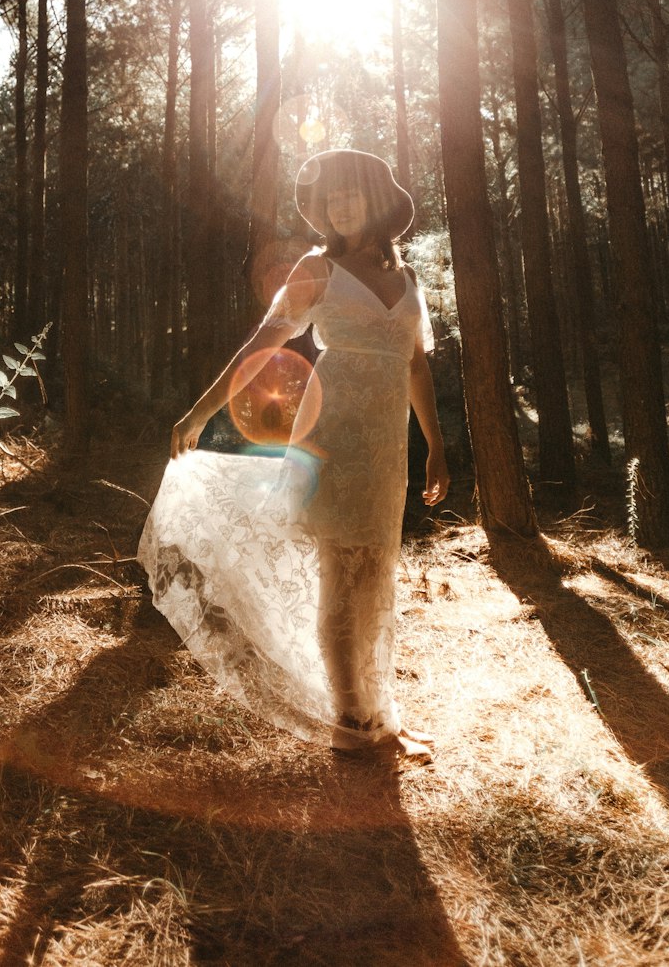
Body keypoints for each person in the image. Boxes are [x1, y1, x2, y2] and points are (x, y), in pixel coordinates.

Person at [137, 148, 449, 763]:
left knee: (375, 573)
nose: (342, 205)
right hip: (331, 434)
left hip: (387, 447)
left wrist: (436, 446)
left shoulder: (408, 279)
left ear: (379, 201)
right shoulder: (317, 267)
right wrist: (202, 412)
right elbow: (264, 341)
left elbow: (415, 364)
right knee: (341, 571)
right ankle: (353, 720)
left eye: (353, 193)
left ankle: (378, 713)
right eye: (331, 197)